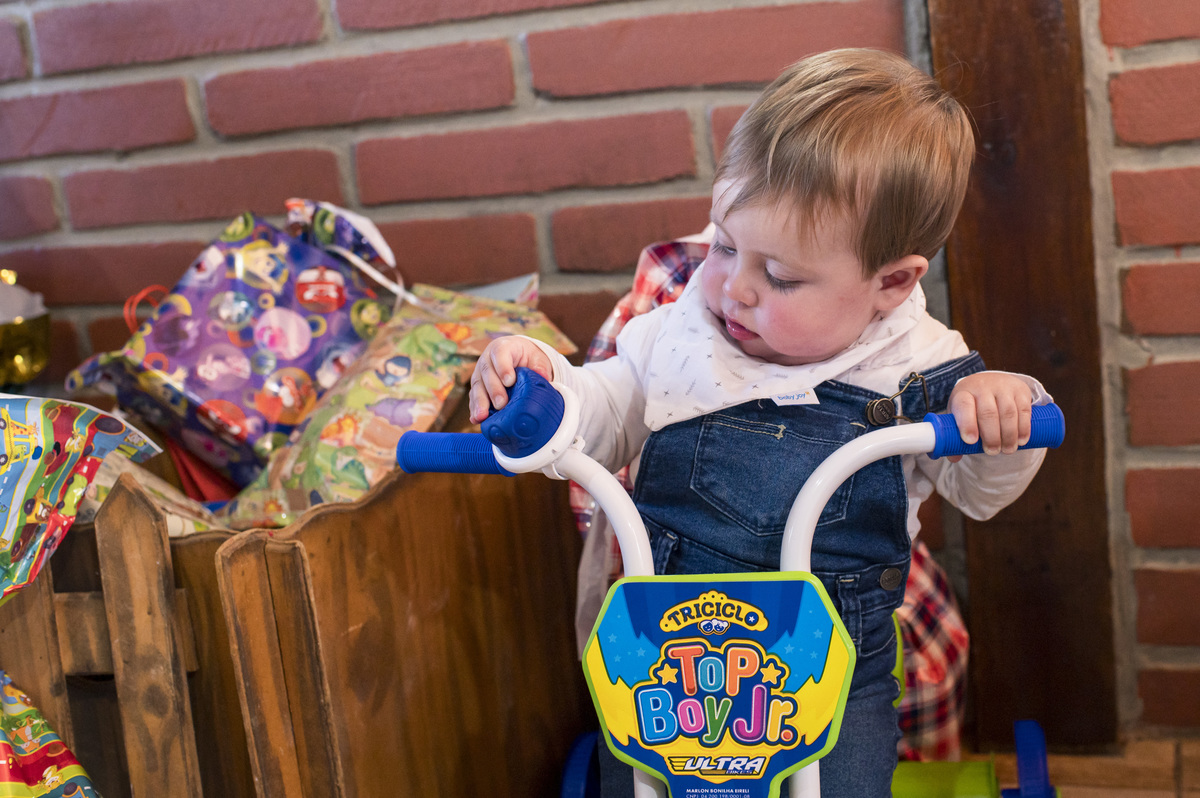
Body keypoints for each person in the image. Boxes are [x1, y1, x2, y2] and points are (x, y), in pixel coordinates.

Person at [469, 48, 1050, 797]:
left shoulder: (922, 366)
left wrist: (1003, 413)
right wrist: (547, 391)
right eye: (725, 243)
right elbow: (603, 413)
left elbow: (981, 490)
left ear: (891, 282)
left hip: (832, 668)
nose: (733, 288)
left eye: (778, 276)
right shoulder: (683, 332)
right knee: (641, 784)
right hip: (663, 655)